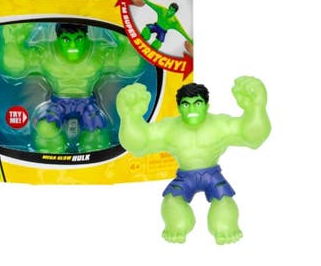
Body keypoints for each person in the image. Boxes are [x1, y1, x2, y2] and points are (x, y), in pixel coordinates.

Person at [116, 77, 270, 244]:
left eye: (197, 103)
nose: (191, 109)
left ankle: (225, 228)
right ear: (179, 108)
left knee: (224, 199)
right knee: (171, 200)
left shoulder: (219, 125)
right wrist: (130, 117)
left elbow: (251, 137)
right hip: (185, 177)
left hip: (212, 175)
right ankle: (177, 227)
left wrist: (256, 108)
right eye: (186, 104)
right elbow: (140, 144)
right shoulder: (170, 128)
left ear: (207, 105)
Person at [0, 22, 144, 153]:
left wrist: (128, 42)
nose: (73, 46)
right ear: (58, 38)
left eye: (78, 39)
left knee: (96, 137)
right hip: (58, 103)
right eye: (66, 40)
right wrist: (12, 41)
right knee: (45, 129)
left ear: (86, 36)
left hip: (87, 104)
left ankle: (94, 162)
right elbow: (16, 68)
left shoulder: (99, 53)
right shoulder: (46, 53)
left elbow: (129, 66)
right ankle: (51, 158)